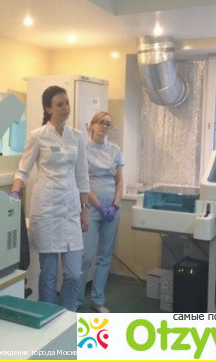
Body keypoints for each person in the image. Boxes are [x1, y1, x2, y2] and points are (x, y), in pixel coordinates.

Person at [9, 85, 90, 311]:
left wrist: (84, 209)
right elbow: (23, 170)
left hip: (71, 209)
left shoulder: (77, 136)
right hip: (47, 209)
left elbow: (82, 175)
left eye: (67, 103)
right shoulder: (38, 136)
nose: (65, 108)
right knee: (49, 274)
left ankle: (67, 313)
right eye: (60, 104)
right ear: (48, 108)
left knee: (74, 274)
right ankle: (48, 316)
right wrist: (14, 192)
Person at [77, 111, 124, 313]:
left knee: (105, 257)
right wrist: (99, 206)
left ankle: (98, 300)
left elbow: (120, 181)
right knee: (85, 256)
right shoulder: (83, 149)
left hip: (112, 209)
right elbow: (83, 181)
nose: (104, 126)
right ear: (92, 125)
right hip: (91, 208)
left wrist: (115, 205)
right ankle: (76, 300)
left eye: (108, 124)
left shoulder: (115, 150)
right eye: (101, 122)